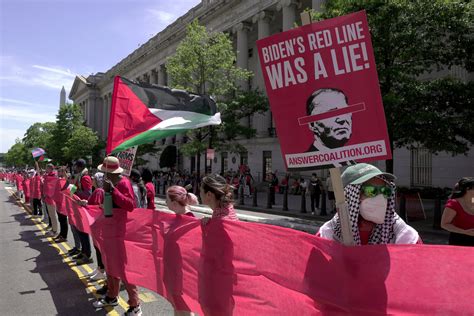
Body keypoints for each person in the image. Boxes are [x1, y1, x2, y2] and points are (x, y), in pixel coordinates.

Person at [318, 163, 421, 245]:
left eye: (385, 191)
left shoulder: (405, 238)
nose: (381, 198)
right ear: (349, 196)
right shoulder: (328, 235)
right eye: (371, 191)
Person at [92, 156, 142, 316]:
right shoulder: (110, 183)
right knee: (110, 266)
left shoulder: (123, 183)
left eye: (105, 172)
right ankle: (112, 296)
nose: (103, 175)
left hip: (120, 232)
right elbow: (108, 209)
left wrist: (112, 190)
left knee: (124, 269)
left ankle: (135, 305)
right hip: (110, 230)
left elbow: (130, 205)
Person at [305, 88, 356, 167]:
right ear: (312, 125)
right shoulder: (307, 164)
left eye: (345, 111)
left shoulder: (353, 162)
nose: (342, 119)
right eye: (331, 113)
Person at [71, 159, 93, 265]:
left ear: (79, 167)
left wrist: (75, 191)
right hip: (77, 206)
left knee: (83, 232)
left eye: (75, 166)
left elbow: (88, 194)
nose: (74, 168)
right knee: (79, 230)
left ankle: (87, 254)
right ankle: (83, 251)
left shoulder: (85, 177)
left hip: (83, 207)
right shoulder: (79, 176)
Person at [441, 177, 474, 246]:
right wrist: (465, 232)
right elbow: (444, 224)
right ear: (467, 189)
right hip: (460, 241)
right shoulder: (454, 203)